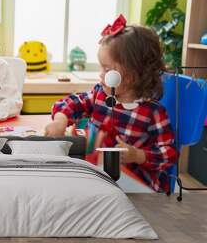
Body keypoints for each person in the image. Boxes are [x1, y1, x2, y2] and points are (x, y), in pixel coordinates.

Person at [45, 15, 177, 194]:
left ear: (132, 75)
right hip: (97, 174)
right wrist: (60, 120)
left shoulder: (153, 113)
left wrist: (137, 155)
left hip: (134, 187)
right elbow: (73, 103)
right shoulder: (100, 94)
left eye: (107, 70)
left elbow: (168, 154)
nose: (100, 75)